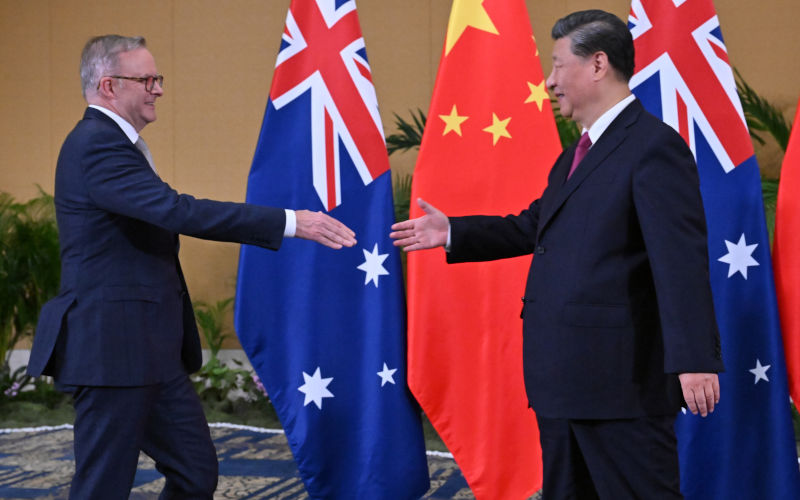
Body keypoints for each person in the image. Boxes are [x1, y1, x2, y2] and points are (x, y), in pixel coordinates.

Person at [391, 10, 724, 499]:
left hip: (620, 386)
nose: (549, 82)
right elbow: (533, 226)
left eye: (558, 66)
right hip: (563, 381)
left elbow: (680, 262)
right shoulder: (573, 156)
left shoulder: (654, 148)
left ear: (597, 65)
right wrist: (452, 232)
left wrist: (694, 359)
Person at [27, 35, 356, 499]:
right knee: (102, 486)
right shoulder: (95, 145)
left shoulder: (118, 145)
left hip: (151, 350)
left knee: (195, 472)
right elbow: (177, 211)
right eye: (146, 79)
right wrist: (289, 221)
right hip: (112, 349)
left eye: (157, 78)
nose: (158, 88)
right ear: (108, 86)